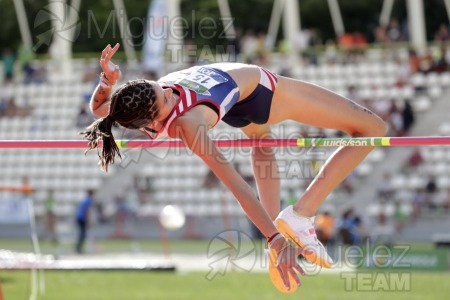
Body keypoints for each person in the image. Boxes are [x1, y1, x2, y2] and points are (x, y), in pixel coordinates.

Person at [81, 44, 387, 290]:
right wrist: (277, 240)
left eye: (162, 88)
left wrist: (107, 82)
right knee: (373, 128)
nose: (171, 93)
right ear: (152, 122)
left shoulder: (138, 104)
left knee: (262, 146)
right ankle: (301, 214)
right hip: (262, 93)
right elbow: (236, 185)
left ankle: (280, 227)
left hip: (235, 99)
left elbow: (99, 109)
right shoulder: (187, 124)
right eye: (166, 101)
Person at [75, 189, 95, 254]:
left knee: (82, 233)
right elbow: (87, 211)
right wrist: (88, 221)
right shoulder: (89, 200)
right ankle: (78, 248)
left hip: (79, 217)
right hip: (82, 218)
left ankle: (78, 248)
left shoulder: (85, 199)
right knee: (82, 234)